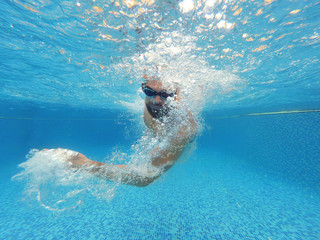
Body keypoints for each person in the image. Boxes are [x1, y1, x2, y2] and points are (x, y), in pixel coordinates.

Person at [43, 77, 197, 187]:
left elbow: (145, 177)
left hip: (180, 134)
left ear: (175, 95)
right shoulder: (150, 103)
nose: (156, 100)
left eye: (165, 94)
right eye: (149, 91)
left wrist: (85, 164)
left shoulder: (183, 129)